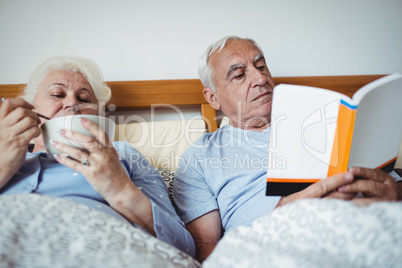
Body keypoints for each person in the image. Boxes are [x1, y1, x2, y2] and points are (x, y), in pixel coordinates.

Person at [172, 35, 402, 262]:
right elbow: (205, 250)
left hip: (368, 225)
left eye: (261, 66)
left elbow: (394, 185)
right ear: (213, 98)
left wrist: (394, 194)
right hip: (276, 248)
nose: (260, 78)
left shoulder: (331, 123)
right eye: (240, 75)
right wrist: (282, 219)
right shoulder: (201, 157)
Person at [0, 56, 195, 257]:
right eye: (57, 94)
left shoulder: (121, 155)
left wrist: (120, 190)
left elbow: (184, 249)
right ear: (31, 107)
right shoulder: (2, 150)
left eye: (84, 99)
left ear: (99, 116)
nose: (71, 103)